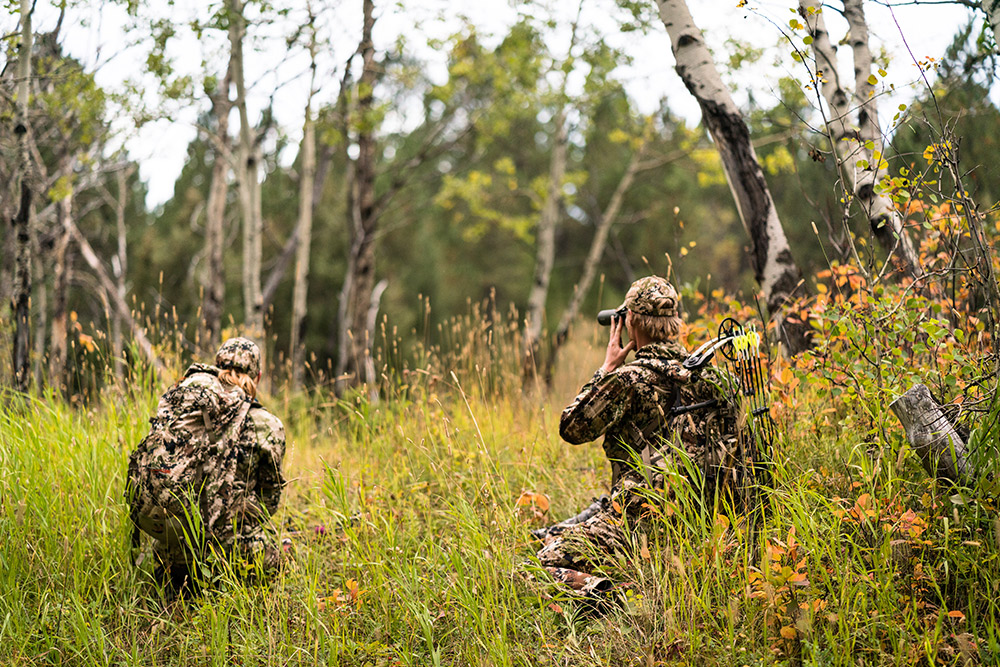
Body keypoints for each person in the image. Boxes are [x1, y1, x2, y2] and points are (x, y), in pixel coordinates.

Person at [535, 276, 736, 599]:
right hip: (710, 522)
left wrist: (606, 369)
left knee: (543, 560)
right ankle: (635, 579)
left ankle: (614, 594)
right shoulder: (717, 377)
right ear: (673, 324)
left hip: (642, 526)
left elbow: (571, 428)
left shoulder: (629, 380)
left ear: (630, 321)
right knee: (555, 532)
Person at [127, 337, 286, 594]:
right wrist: (231, 510)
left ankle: (173, 573)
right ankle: (225, 580)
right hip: (227, 553)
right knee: (275, 558)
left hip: (172, 545)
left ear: (216, 367)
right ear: (258, 377)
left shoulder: (188, 404)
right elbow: (269, 501)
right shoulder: (268, 425)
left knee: (175, 547)